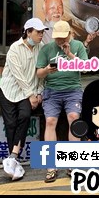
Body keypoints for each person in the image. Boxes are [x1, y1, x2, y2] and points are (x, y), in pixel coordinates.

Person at [36, 20, 88, 183]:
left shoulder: (78, 46)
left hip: (73, 89)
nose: (59, 41)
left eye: (62, 38)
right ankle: (51, 166)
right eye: (57, 38)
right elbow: (38, 73)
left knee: (73, 117)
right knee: (50, 121)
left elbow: (86, 68)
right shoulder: (46, 49)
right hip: (52, 90)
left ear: (69, 35)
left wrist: (70, 55)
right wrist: (47, 70)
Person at [0, 18, 46, 180]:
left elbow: (41, 74)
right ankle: (14, 158)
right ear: (28, 32)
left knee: (24, 116)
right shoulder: (14, 49)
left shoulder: (42, 48)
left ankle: (12, 157)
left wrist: (39, 92)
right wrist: (31, 95)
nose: (41, 35)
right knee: (10, 123)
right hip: (10, 90)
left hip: (29, 92)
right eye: (38, 32)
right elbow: (18, 76)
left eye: (42, 32)